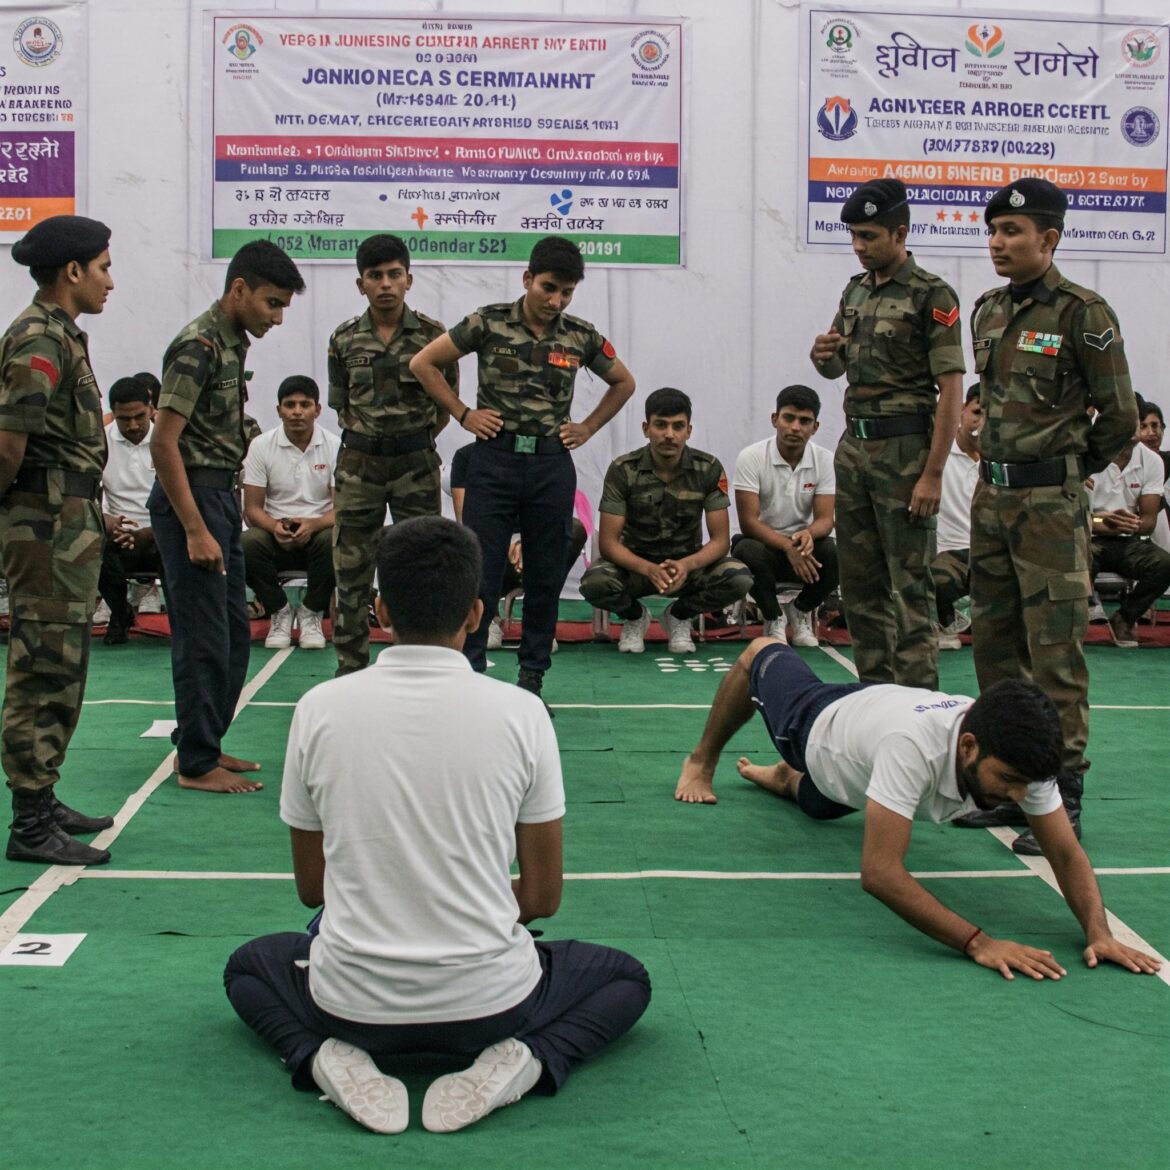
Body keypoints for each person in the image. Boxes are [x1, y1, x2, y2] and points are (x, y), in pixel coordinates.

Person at [223, 516, 651, 1134]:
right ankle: (529, 1059)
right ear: (476, 614)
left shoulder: (318, 709)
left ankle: (319, 1056)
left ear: (379, 611)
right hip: (492, 1006)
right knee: (625, 979)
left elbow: (313, 890)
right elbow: (542, 897)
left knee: (250, 965)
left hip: (350, 1006)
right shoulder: (523, 712)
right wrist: (461, 904)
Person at [671, 637, 1162, 981]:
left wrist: (1099, 932)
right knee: (762, 654)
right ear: (968, 747)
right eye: (1009, 783)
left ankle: (783, 781)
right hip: (819, 727)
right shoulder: (910, 750)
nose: (1018, 797)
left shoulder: (1022, 761)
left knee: (823, 804)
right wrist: (979, 942)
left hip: (865, 744)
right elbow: (880, 874)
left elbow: (1066, 853)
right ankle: (702, 760)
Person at [956, 178, 1138, 854]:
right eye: (992, 232)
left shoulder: (1083, 314)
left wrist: (1067, 470)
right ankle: (1006, 787)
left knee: (1056, 652)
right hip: (991, 498)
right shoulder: (987, 311)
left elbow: (1119, 416)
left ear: (1049, 238)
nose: (997, 243)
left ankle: (1065, 800)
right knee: (995, 646)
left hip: (1050, 508)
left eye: (1012, 231)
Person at [410, 236, 636, 704]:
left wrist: (588, 427)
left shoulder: (580, 335)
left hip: (551, 465)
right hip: (494, 462)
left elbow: (623, 382)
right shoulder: (488, 321)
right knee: (482, 571)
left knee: (545, 576)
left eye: (567, 293)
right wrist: (463, 414)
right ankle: (470, 678)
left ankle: (532, 681)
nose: (556, 301)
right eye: (549, 288)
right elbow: (424, 363)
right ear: (528, 278)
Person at [149, 240, 304, 794]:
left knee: (235, 635)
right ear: (239, 289)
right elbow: (163, 442)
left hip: (218, 498)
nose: (277, 317)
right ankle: (195, 764)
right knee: (203, 637)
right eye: (271, 303)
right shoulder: (198, 346)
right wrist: (194, 528)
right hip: (190, 500)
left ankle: (205, 741)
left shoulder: (231, 344)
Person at [810, 178, 965, 689]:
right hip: (855, 449)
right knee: (860, 585)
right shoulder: (855, 289)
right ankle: (872, 693)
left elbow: (950, 389)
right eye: (854, 236)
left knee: (910, 585)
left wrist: (933, 473)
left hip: (905, 451)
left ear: (900, 233)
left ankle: (917, 700)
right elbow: (836, 368)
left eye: (869, 236)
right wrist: (822, 357)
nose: (859, 246)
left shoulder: (931, 294)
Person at [0, 215, 116, 865]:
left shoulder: (60, 334)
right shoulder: (38, 337)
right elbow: (8, 445)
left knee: (63, 662)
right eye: (103, 267)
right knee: (43, 665)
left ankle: (42, 799)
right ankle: (29, 822)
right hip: (44, 522)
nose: (109, 281)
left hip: (65, 520)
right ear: (72, 271)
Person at [328, 234, 456, 676]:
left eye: (394, 274)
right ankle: (350, 669)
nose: (385, 284)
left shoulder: (435, 336)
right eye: (375, 275)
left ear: (409, 279)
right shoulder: (343, 338)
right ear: (360, 283)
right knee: (351, 569)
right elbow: (341, 404)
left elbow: (446, 403)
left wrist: (411, 440)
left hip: (414, 465)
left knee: (421, 566)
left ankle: (420, 664)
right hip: (359, 465)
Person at [579, 388, 751, 654]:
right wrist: (648, 569)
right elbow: (609, 543)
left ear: (689, 431)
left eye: (678, 426)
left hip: (687, 568)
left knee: (739, 578)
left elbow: (720, 541)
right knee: (594, 584)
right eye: (661, 425)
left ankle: (680, 615)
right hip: (635, 568)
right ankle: (636, 617)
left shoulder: (708, 468)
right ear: (646, 428)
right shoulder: (623, 469)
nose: (669, 434)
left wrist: (686, 565)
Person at [449, 440, 588, 650]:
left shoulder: (549, 455)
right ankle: (487, 618)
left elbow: (549, 515)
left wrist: (526, 541)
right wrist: (509, 543)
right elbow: (466, 520)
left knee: (572, 531)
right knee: (472, 545)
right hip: (493, 539)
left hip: (532, 538)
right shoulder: (467, 456)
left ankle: (538, 623)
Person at [731, 384, 837, 646]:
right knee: (745, 551)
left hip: (803, 549)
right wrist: (788, 546)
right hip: (765, 547)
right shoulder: (751, 457)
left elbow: (825, 520)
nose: (795, 427)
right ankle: (773, 617)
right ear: (774, 419)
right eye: (788, 418)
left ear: (815, 427)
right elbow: (748, 522)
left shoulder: (825, 460)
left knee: (838, 553)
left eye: (804, 421)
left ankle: (800, 611)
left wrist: (807, 535)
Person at [241, 375, 340, 651]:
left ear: (317, 410)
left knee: (337, 539)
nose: (297, 412)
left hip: (318, 534)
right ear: (279, 410)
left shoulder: (334, 445)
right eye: (290, 405)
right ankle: (279, 611)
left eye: (305, 405)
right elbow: (252, 510)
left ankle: (311, 613)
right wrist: (274, 526)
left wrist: (314, 524)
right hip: (275, 534)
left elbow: (342, 509)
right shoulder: (261, 446)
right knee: (246, 544)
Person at [1086, 415, 1170, 647]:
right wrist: (1101, 521)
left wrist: (1125, 524)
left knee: (1164, 564)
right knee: (1076, 554)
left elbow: (1148, 521)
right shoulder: (1086, 454)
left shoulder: (1152, 461)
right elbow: (1074, 517)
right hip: (1088, 537)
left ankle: (1125, 617)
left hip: (1127, 540)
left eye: (1136, 419)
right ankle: (1082, 615)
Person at [98, 375, 163, 645]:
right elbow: (88, 497)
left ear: (151, 408)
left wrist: (148, 532)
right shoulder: (98, 443)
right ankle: (120, 612)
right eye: (124, 419)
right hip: (117, 535)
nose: (133, 425)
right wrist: (107, 521)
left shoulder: (169, 441)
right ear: (113, 413)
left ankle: (184, 620)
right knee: (90, 541)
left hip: (160, 532)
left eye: (139, 416)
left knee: (176, 539)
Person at [930, 384, 982, 650]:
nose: (981, 421)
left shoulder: (1001, 461)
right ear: (961, 410)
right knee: (937, 580)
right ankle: (946, 621)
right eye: (977, 412)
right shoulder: (937, 454)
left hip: (990, 549)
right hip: (949, 552)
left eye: (990, 415)